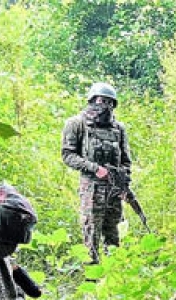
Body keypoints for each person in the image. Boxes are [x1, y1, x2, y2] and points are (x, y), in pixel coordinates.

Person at [61, 81, 133, 264]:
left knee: (114, 233)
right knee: (91, 232)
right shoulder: (76, 124)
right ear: (92, 100)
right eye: (101, 100)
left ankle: (114, 276)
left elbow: (126, 160)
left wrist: (124, 183)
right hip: (91, 188)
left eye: (110, 102)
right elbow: (68, 155)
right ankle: (91, 280)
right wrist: (94, 169)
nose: (105, 106)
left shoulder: (118, 129)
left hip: (114, 189)